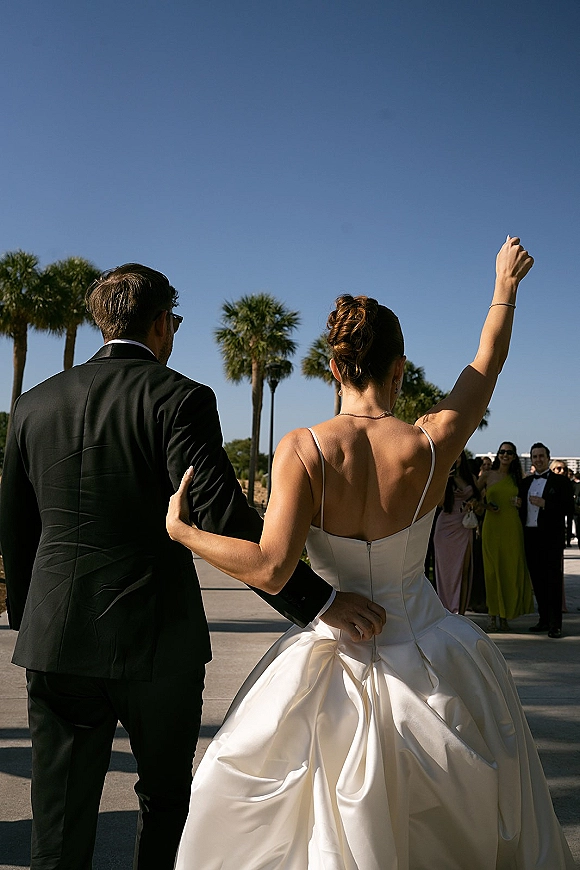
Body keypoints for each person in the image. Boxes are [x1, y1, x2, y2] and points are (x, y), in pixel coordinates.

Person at [167, 237, 574, 868]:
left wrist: (186, 533)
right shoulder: (431, 443)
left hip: (332, 655)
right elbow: (485, 365)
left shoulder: (303, 448)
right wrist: (504, 289)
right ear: (400, 368)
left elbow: (273, 567)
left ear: (334, 367)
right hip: (433, 652)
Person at [0, 264, 384, 870]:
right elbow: (223, 516)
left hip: (57, 640)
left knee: (58, 820)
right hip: (158, 641)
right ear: (159, 324)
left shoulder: (32, 404)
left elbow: (17, 528)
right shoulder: (180, 398)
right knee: (164, 807)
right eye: (174, 321)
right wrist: (319, 601)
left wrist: (30, 620)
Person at [477, 441, 534, 632]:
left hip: (512, 528)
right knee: (492, 571)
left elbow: (528, 502)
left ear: (514, 456)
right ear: (498, 454)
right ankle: (492, 615)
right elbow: (473, 501)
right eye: (502, 451)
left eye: (509, 452)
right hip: (492, 527)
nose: (505, 455)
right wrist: (486, 507)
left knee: (510, 570)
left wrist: (520, 502)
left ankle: (506, 615)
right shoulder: (487, 475)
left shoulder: (518, 478)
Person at [519, 443, 573, 639]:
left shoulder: (561, 482)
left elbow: (569, 508)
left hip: (551, 538)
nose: (538, 459)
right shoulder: (525, 483)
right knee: (538, 581)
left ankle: (555, 624)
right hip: (530, 536)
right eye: (535, 456)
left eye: (541, 456)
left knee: (553, 581)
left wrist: (546, 504)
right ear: (531, 460)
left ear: (548, 458)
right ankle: (543, 619)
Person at [433, 451, 481, 614]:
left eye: (458, 455)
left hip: (464, 527)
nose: (456, 459)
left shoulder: (471, 478)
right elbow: (439, 504)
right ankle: (446, 611)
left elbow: (479, 500)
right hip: (446, 528)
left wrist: (474, 503)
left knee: (464, 570)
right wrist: (444, 478)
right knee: (447, 573)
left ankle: (460, 612)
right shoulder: (441, 476)